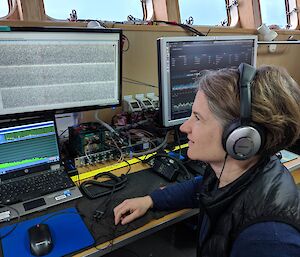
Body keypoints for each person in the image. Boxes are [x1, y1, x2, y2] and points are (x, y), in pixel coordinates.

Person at [114, 64, 300, 257]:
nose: (184, 127)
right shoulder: (231, 171)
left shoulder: (268, 241)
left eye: (197, 118)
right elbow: (202, 188)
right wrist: (151, 200)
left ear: (240, 138)